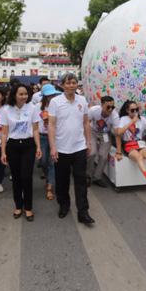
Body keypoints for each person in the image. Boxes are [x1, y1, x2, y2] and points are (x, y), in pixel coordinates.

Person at [47, 73, 95, 225]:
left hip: (79, 147)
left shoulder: (82, 100)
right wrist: (53, 147)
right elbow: (52, 125)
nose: (71, 85)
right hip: (61, 149)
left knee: (81, 180)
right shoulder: (55, 102)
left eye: (74, 82)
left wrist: (88, 142)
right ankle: (64, 205)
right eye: (68, 83)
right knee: (62, 181)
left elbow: (86, 122)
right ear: (62, 85)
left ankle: (83, 212)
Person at [0, 83, 42, 221]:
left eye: (26, 94)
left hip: (28, 145)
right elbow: (4, 133)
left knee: (26, 177)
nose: (24, 96)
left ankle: (28, 207)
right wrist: (3, 152)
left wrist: (38, 147)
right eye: (21, 94)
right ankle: (18, 206)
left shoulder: (33, 108)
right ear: (14, 95)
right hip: (12, 146)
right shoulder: (6, 109)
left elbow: (35, 129)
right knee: (16, 178)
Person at [115, 100, 146, 186]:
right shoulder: (123, 119)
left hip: (140, 143)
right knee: (138, 156)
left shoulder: (142, 119)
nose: (135, 112)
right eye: (132, 110)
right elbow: (119, 133)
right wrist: (132, 122)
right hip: (129, 145)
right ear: (127, 111)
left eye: (136, 109)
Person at [86, 95, 119, 187]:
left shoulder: (114, 116)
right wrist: (86, 140)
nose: (110, 109)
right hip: (93, 131)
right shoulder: (93, 110)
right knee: (91, 153)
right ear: (102, 105)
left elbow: (117, 134)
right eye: (108, 107)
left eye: (113, 107)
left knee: (103, 156)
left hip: (105, 134)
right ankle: (88, 176)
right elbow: (86, 123)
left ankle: (97, 177)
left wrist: (119, 151)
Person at [38, 84, 60, 200]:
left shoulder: (58, 105)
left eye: (53, 94)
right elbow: (34, 124)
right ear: (44, 97)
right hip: (41, 137)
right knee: (43, 160)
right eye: (49, 95)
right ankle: (48, 178)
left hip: (54, 137)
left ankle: (50, 187)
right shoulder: (37, 107)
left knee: (52, 162)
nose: (51, 97)